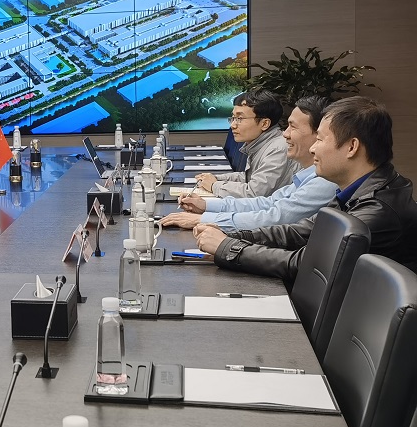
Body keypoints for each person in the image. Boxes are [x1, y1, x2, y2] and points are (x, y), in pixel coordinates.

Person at [195, 97, 417, 285]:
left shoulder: (377, 210)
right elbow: (300, 231)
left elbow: (307, 264)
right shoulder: (354, 190)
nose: (313, 148)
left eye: (319, 139)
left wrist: (228, 247)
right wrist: (233, 236)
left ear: (352, 147)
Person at [162, 96, 338, 231]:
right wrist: (207, 206)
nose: (285, 134)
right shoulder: (310, 175)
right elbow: (267, 203)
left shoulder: (324, 180)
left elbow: (272, 215)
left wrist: (206, 217)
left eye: (293, 127)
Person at [194, 89, 296, 198]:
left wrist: (214, 185)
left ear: (264, 123)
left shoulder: (278, 149)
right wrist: (216, 178)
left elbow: (254, 193)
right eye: (233, 118)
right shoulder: (261, 144)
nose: (233, 125)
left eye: (240, 118)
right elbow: (249, 178)